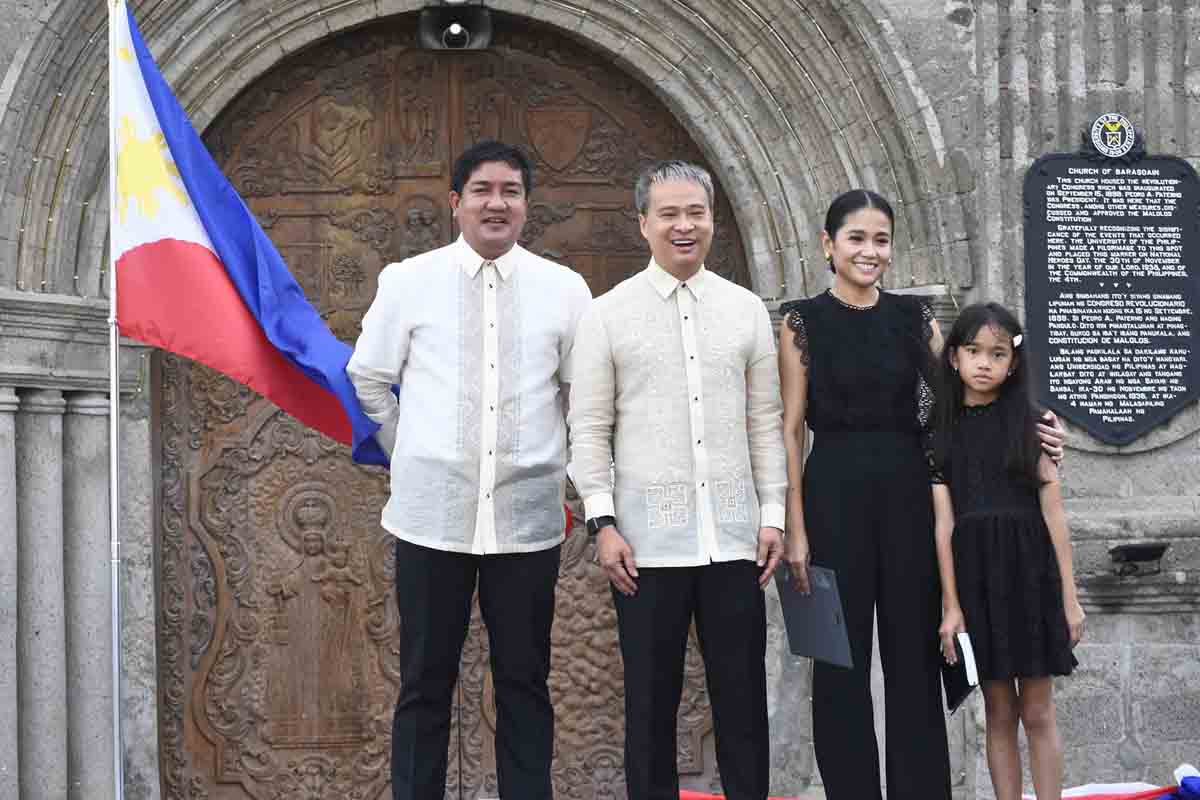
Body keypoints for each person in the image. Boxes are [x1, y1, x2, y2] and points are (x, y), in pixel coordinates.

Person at [777, 189, 1066, 800]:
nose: (869, 251)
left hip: (910, 499)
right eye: (856, 238)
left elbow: (965, 399)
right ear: (828, 245)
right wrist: (795, 528)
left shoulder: (916, 319)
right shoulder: (801, 320)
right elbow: (791, 426)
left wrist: (1036, 429)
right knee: (838, 667)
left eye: (880, 239)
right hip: (830, 500)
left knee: (913, 662)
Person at [347, 139, 592, 800]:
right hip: (431, 521)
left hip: (526, 523)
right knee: (424, 683)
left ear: (526, 206)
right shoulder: (408, 281)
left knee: (523, 683)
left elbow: (585, 394)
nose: (496, 203)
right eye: (482, 190)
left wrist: (567, 467)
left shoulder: (564, 290)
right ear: (456, 203)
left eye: (510, 191)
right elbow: (368, 379)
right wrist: (414, 453)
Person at [568, 160, 787, 800]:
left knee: (743, 703)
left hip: (734, 542)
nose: (683, 225)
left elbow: (765, 421)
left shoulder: (745, 311)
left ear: (712, 220)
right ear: (643, 223)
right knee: (649, 708)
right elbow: (588, 429)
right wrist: (602, 523)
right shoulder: (607, 315)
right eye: (669, 213)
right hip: (645, 548)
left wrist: (771, 513)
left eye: (696, 212)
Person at [930, 302, 1084, 800]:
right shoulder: (940, 433)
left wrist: (1070, 596)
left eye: (997, 354)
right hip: (977, 582)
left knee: (1038, 709)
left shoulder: (1034, 423)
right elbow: (943, 522)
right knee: (998, 711)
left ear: (1013, 363)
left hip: (1030, 574)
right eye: (973, 351)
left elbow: (1054, 512)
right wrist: (951, 605)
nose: (983, 363)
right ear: (953, 357)